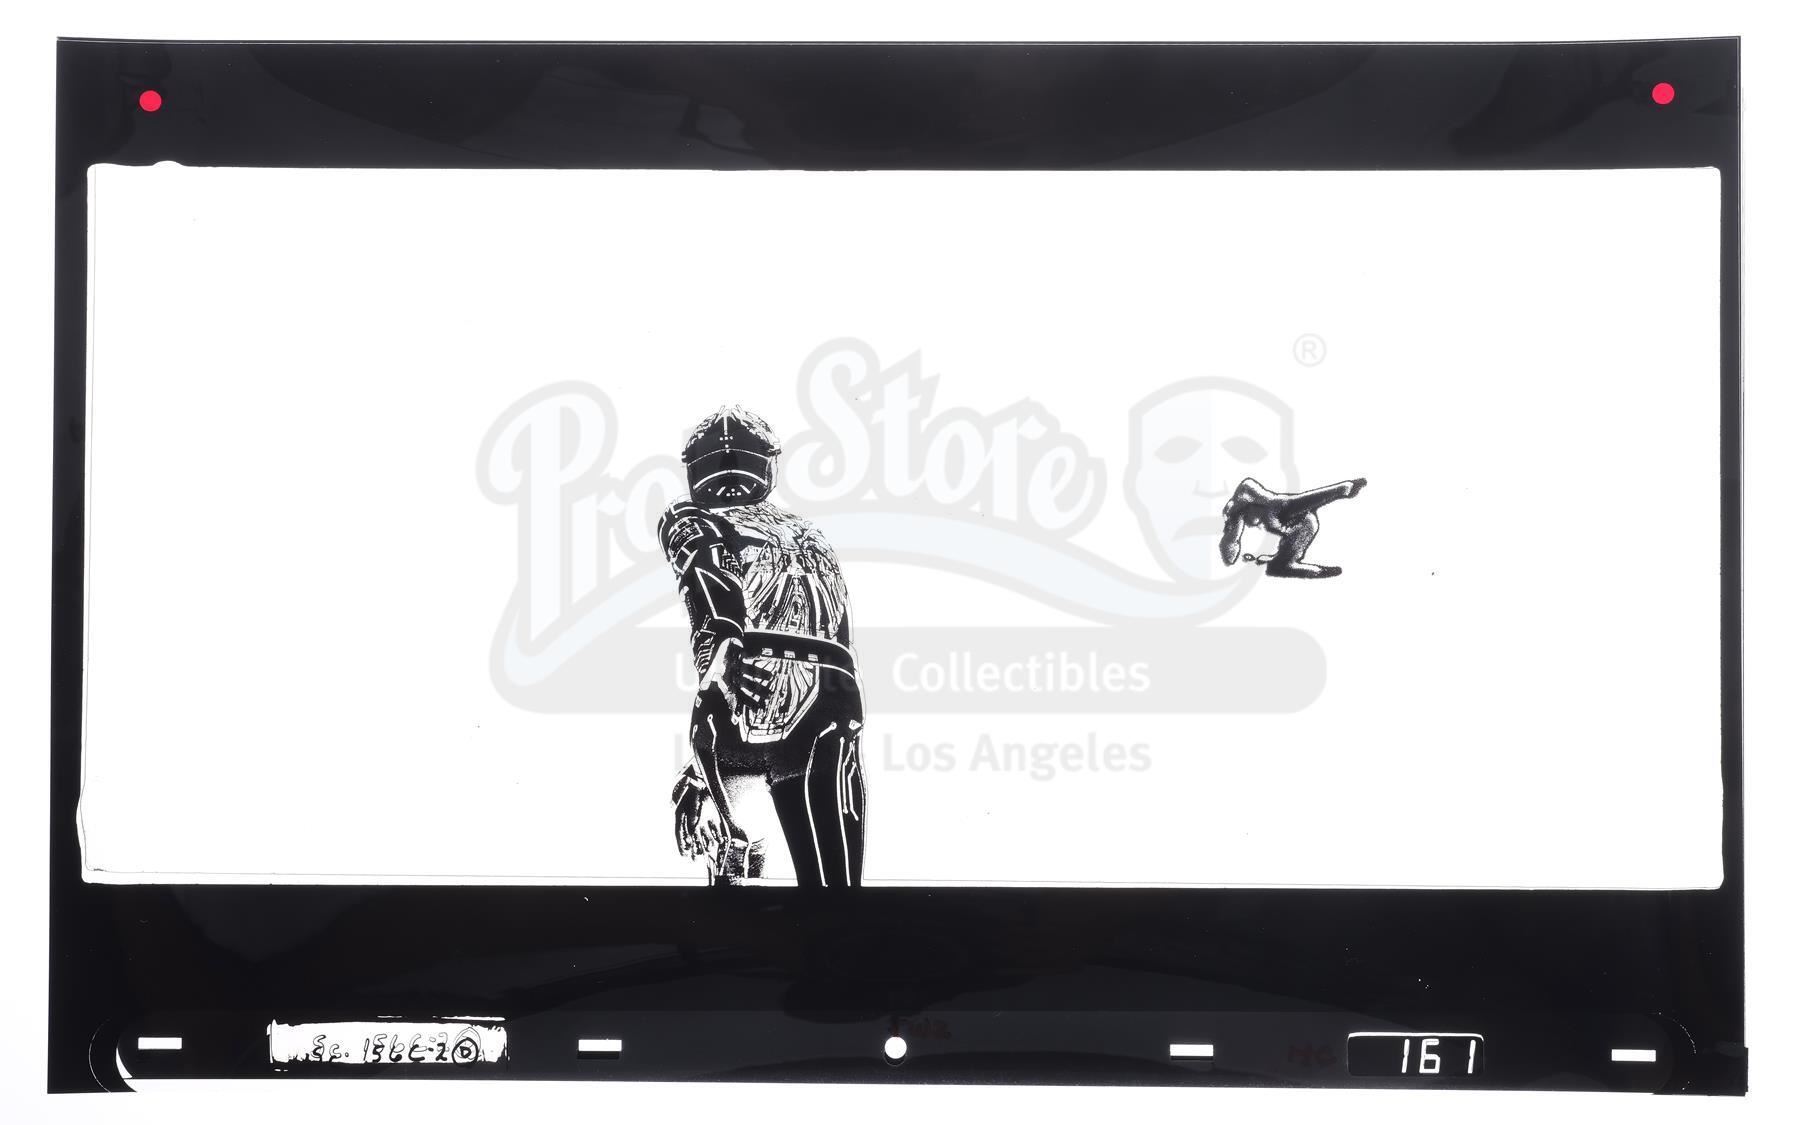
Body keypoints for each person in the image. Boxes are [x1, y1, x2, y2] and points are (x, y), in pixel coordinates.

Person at [657, 406, 866, 887]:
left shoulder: (687, 515)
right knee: (836, 887)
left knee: (739, 864)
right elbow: (839, 633)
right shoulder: (811, 535)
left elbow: (708, 580)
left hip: (753, 689)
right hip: (834, 691)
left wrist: (724, 645)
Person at [1219, 476, 1367, 579]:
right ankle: (1284, 564)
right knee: (1290, 510)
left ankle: (1284, 563)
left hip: (1290, 515)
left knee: (1296, 513)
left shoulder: (1255, 500)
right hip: (1282, 513)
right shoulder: (1236, 513)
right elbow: (1230, 546)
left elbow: (1230, 545)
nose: (1256, 524)